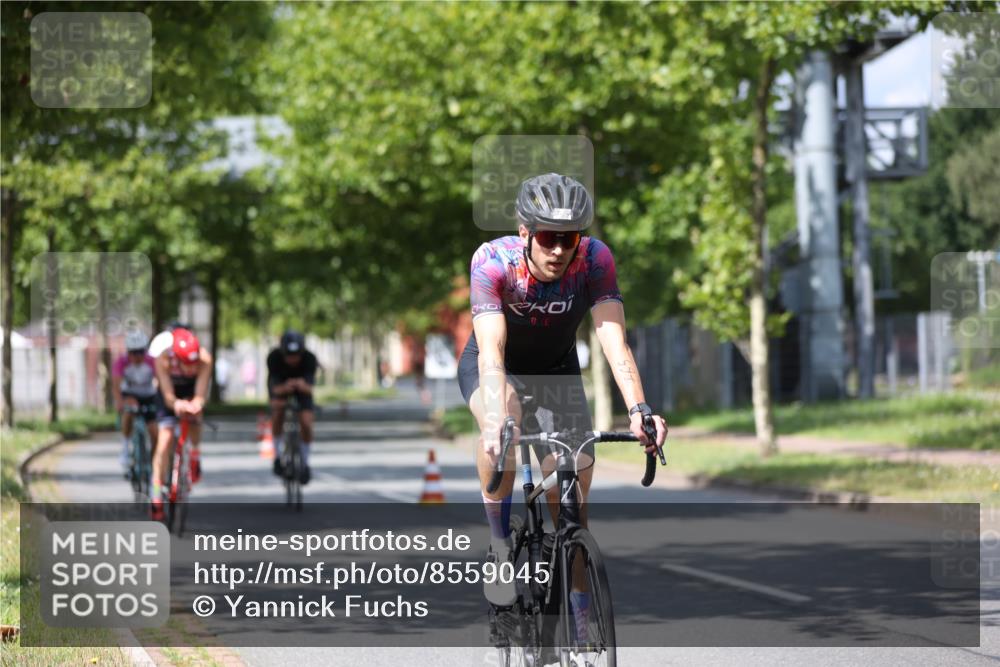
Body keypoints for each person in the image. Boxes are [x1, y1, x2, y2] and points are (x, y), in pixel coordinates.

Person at [458, 173, 668, 622]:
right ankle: (499, 546)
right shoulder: (493, 261)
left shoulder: (594, 260)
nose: (559, 250)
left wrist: (639, 409)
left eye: (568, 237)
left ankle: (581, 621)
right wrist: (496, 414)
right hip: (498, 367)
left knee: (573, 516)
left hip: (557, 371)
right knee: (504, 416)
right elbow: (492, 351)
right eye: (549, 238)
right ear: (525, 233)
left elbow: (615, 343)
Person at [150, 327, 212, 520]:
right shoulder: (163, 359)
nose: (192, 368)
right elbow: (168, 395)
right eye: (187, 363)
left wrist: (196, 403)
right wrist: (175, 404)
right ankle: (156, 493)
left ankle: (194, 453)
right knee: (165, 439)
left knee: (195, 417)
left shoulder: (205, 359)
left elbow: (200, 393)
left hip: (190, 389)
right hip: (169, 392)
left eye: (194, 363)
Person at [267, 330, 317, 484]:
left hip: (302, 391)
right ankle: (277, 457)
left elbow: (309, 388)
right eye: (289, 355)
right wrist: (283, 389)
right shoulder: (274, 358)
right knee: (277, 412)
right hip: (280, 386)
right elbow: (274, 388)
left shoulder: (309, 358)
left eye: (296, 355)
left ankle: (305, 463)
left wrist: (301, 385)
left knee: (306, 422)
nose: (293, 359)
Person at [112, 329, 158, 476]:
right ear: (128, 352)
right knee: (128, 412)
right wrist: (119, 402)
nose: (137, 356)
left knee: (154, 431)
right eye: (133, 352)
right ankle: (125, 448)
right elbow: (116, 385)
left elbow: (161, 382)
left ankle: (153, 461)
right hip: (130, 395)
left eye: (140, 352)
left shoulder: (152, 361)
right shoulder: (121, 362)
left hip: (148, 396)